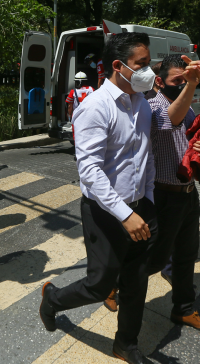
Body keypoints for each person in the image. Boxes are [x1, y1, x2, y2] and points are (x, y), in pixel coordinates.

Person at [39, 32, 158, 363]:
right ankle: (53, 299)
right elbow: (89, 171)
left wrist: (147, 201)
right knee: (100, 283)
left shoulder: (142, 104)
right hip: (105, 212)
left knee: (136, 281)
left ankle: (126, 343)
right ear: (118, 66)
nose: (149, 72)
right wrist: (125, 214)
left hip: (141, 208)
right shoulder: (94, 107)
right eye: (142, 64)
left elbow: (143, 157)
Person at [103, 55, 200, 332]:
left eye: (186, 80)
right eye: (176, 81)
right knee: (153, 259)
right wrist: (192, 84)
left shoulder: (189, 108)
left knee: (186, 255)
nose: (182, 85)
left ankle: (184, 309)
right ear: (160, 82)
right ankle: (111, 284)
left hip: (188, 194)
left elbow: (197, 139)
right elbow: (172, 119)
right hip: (163, 197)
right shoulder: (152, 106)